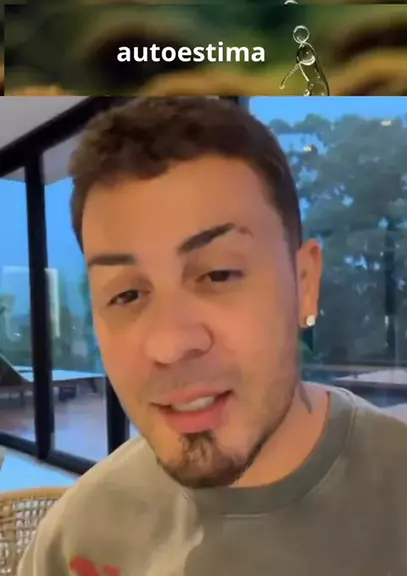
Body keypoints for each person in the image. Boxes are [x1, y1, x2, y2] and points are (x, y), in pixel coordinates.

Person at [18, 97, 407, 576]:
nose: (169, 344)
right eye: (126, 295)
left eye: (219, 274)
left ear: (305, 283)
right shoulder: (78, 538)